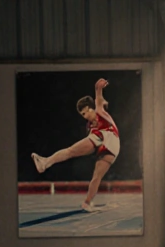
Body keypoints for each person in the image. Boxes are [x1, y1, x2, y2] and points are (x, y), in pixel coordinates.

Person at [30, 78, 120, 212]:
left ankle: (46, 163)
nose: (84, 116)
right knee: (77, 157)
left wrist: (98, 88)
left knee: (92, 171)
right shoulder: (89, 126)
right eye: (82, 114)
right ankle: (87, 203)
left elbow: (99, 100)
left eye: (85, 113)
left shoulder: (100, 111)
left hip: (109, 139)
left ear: (91, 109)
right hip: (106, 143)